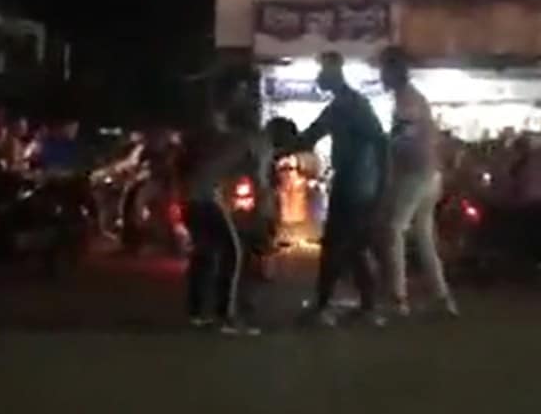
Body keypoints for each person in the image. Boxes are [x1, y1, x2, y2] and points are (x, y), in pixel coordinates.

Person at [297, 52, 389, 327]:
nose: (318, 78)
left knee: (336, 245)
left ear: (333, 73)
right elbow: (311, 135)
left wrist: (381, 185)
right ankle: (367, 307)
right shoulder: (344, 105)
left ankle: (324, 306)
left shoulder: (352, 105)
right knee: (354, 246)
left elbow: (380, 142)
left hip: (355, 183)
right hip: (356, 182)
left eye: (322, 72)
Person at [184, 67, 275, 336]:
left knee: (206, 253)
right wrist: (264, 211)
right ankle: (226, 316)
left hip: (195, 197)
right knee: (231, 254)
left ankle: (199, 313)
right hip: (203, 198)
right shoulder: (249, 140)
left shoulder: (223, 133)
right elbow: (258, 179)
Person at [378, 48, 459, 317]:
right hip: (429, 174)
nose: (381, 75)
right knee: (424, 236)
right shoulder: (413, 97)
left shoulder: (407, 100)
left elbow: (402, 137)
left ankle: (398, 297)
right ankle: (442, 296)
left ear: (393, 71)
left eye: (384, 69)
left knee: (395, 229)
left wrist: (383, 146)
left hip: (416, 174)